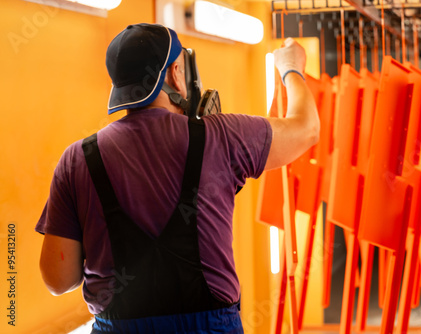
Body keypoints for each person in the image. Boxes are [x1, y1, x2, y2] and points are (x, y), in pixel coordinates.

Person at [36, 23, 318, 333]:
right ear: (175, 74)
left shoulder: (77, 159)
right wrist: (291, 69)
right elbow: (306, 129)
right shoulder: (222, 136)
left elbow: (58, 279)